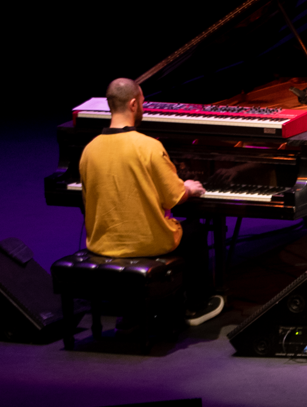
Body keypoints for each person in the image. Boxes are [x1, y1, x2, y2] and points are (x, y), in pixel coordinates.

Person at [79, 78, 224, 326]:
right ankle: (196, 305)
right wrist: (187, 187)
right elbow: (174, 198)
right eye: (143, 101)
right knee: (196, 231)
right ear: (134, 104)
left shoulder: (89, 150)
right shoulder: (149, 147)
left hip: (102, 243)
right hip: (149, 243)